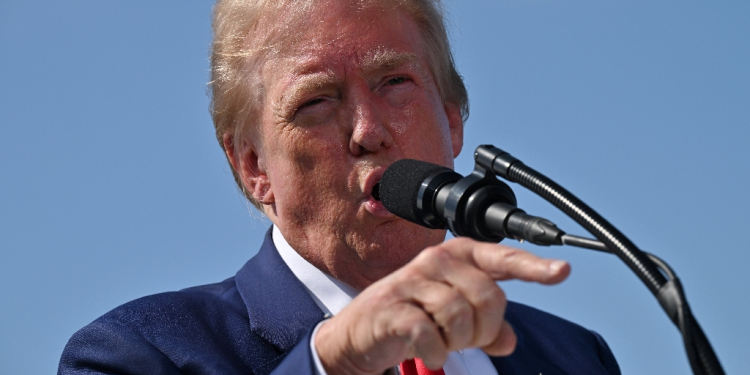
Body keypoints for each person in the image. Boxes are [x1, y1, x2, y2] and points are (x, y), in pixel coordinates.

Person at [59, 0, 621, 374]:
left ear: (452, 120)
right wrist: (336, 362)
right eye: (316, 101)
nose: (368, 131)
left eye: (395, 83)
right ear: (252, 165)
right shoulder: (138, 354)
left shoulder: (573, 357)